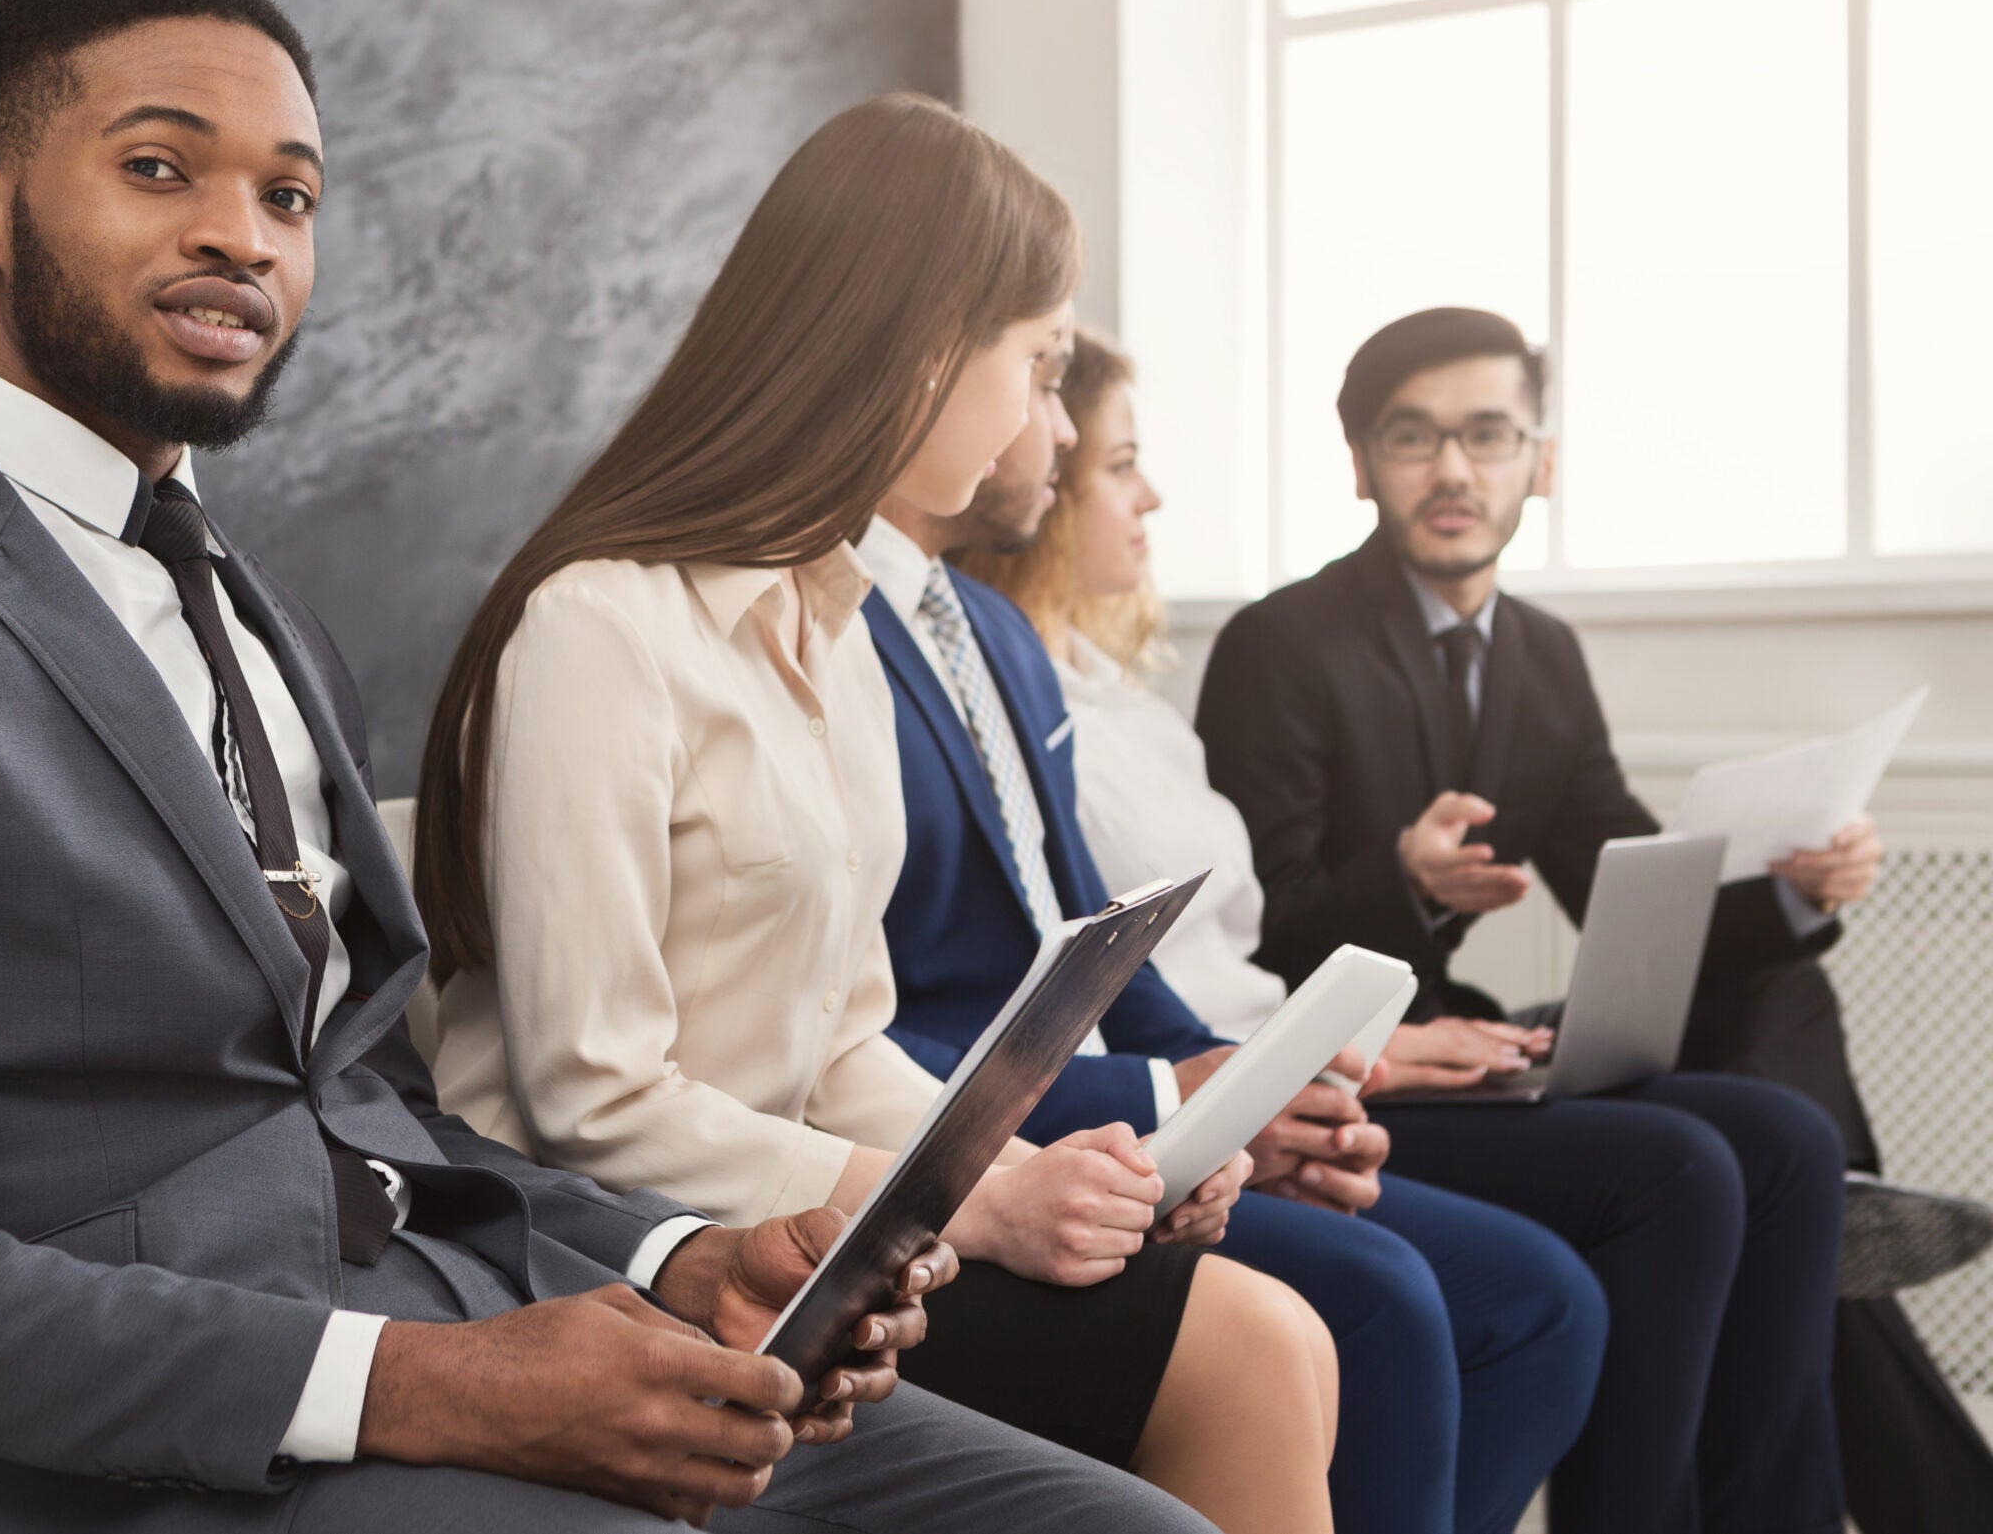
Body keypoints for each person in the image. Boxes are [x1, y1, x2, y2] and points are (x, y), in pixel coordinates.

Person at [0, 0, 1217, 1534]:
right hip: (155, 1458)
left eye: (289, 198)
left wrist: (680, 1261)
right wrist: (438, 1385)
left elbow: (375, 1117)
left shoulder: (264, 621)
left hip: (481, 1315)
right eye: (160, 168)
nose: (239, 233)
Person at [419, 93, 1336, 1534]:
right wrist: (971, 1206)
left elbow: (844, 1038)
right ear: (920, 357)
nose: (1047, 417)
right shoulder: (598, 627)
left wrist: (1038, 1180)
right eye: (1037, 369)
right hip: (620, 1256)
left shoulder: (835, 626)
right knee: (1255, 1346)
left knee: (1268, 1337)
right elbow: (588, 1096)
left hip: (820, 1237)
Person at [1195, 305, 1936, 1531]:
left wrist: (1801, 885)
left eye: (1486, 434)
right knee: (1713, 1163)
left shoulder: (1538, 654)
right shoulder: (1281, 644)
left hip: (1466, 1046)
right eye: (1412, 436)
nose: (1451, 470)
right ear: (1358, 460)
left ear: (1541, 460)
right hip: (1341, 1078)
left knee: (1791, 1124)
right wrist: (1405, 878)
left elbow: (1626, 886)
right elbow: (1246, 943)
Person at [889, 331, 1604, 1534]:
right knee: (1405, 1289)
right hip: (1038, 1111)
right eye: (1112, 452)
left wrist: (1251, 1082)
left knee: (1625, 1229)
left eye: (1488, 434)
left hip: (1216, 1056)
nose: (1112, 472)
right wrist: (1199, 1091)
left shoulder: (1010, 647)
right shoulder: (1247, 645)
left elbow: (1100, 949)